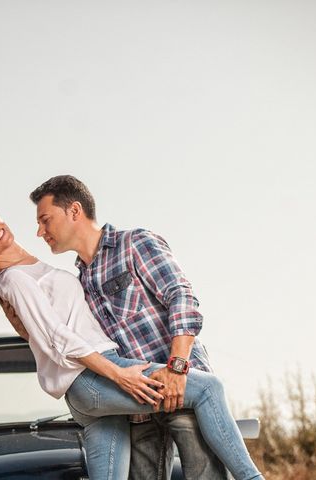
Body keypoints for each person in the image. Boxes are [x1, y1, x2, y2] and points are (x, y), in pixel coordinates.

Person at [0, 197, 264, 480]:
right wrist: (119, 374)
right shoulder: (14, 280)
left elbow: (44, 336)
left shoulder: (33, 272)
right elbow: (57, 338)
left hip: (88, 384)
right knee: (207, 388)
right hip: (96, 375)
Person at [25, 175, 225, 480]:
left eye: (45, 220)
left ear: (74, 211)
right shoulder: (80, 282)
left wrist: (177, 368)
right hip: (137, 406)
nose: (40, 232)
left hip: (181, 389)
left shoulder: (135, 243)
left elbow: (181, 296)